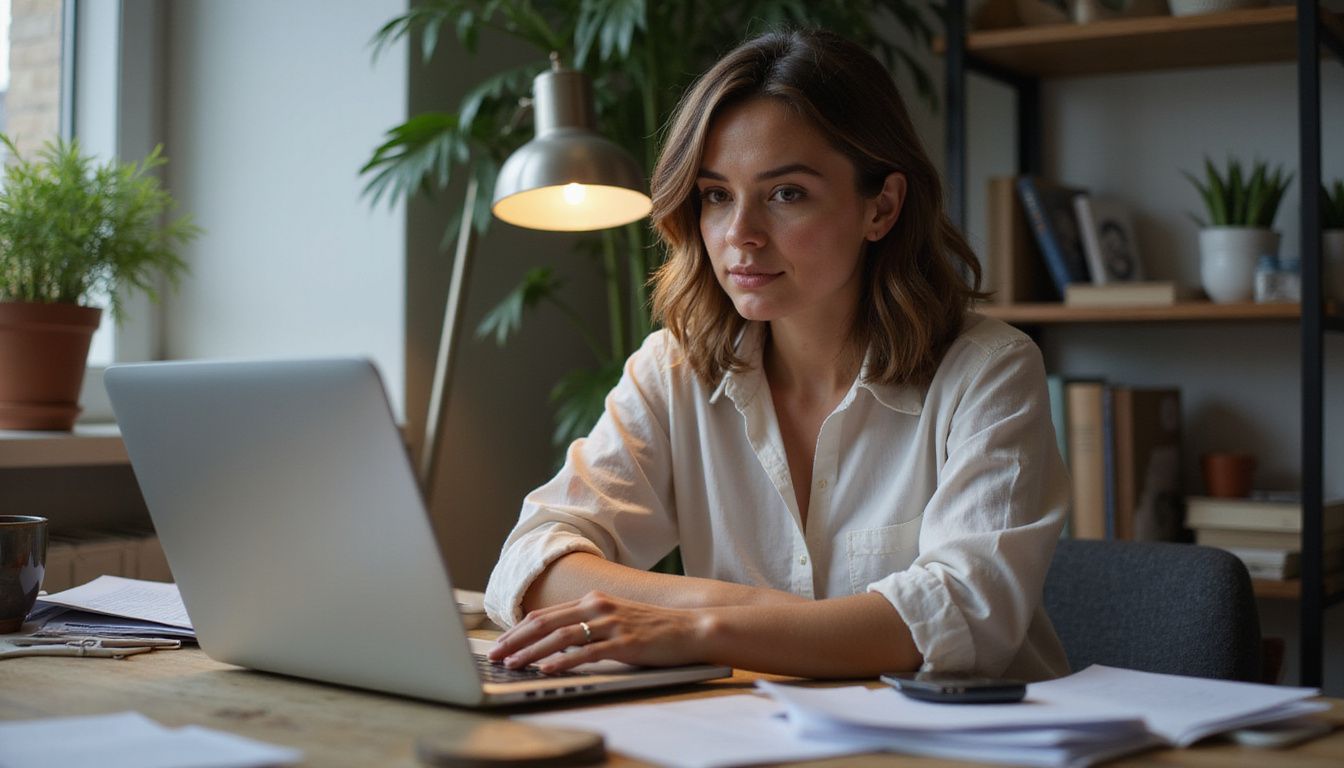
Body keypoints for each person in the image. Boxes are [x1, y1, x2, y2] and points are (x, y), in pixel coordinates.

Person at [483, 28, 1070, 681]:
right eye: (715, 195)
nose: (741, 236)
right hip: (756, 733)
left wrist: (699, 629)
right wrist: (732, 612)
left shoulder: (988, 370)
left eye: (786, 193)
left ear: (882, 207)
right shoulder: (674, 368)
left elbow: (960, 615)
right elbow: (532, 561)